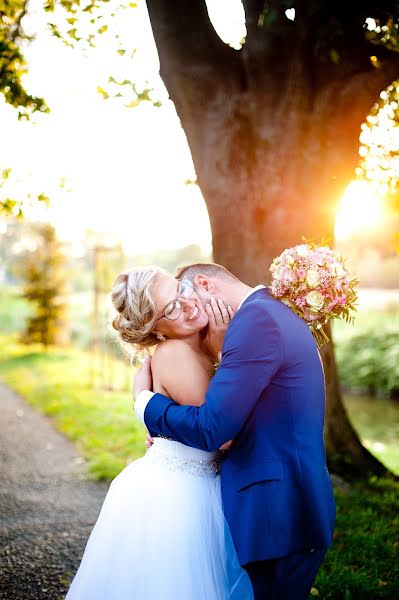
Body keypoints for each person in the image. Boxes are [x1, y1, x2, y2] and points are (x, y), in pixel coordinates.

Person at [134, 262, 336, 600]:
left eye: (187, 293)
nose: (190, 306)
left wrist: (146, 406)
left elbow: (215, 430)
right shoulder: (266, 313)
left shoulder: (255, 321)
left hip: (279, 509)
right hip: (284, 506)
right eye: (173, 306)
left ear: (204, 284)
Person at [65, 266, 253, 600]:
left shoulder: (203, 340)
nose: (187, 303)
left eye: (181, 289)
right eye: (171, 309)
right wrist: (225, 351)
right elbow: (222, 435)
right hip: (181, 494)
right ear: (155, 329)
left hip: (207, 481)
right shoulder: (174, 353)